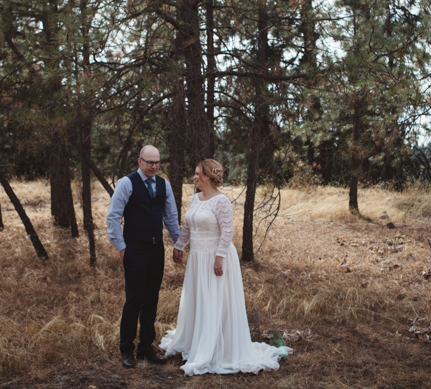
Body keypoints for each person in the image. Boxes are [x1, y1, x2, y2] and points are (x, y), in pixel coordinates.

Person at [161, 159, 292, 375]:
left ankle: (216, 347)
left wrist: (219, 256)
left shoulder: (221, 201)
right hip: (197, 258)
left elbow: (227, 231)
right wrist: (179, 245)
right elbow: (188, 226)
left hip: (215, 256)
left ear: (208, 177)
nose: (194, 177)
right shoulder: (195, 198)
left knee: (215, 300)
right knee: (199, 298)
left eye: (197, 174)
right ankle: (197, 339)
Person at [106, 145, 181, 368]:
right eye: (150, 162)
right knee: (134, 299)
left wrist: (178, 244)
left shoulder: (163, 184)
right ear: (140, 162)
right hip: (134, 249)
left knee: (151, 299)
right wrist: (121, 246)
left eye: (157, 162)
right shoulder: (127, 183)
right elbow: (113, 217)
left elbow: (171, 217)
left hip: (156, 249)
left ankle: (146, 346)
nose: (154, 166)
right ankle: (126, 348)